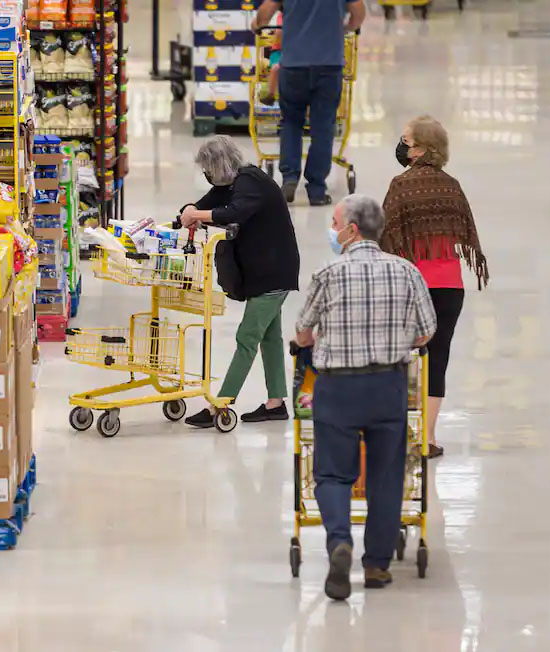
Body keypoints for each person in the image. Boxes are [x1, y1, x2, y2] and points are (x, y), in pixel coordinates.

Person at [295, 195, 436, 600]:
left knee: (333, 474)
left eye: (335, 221)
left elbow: (304, 332)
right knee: (386, 476)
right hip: (388, 386)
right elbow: (427, 331)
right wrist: (395, 339)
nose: (332, 228)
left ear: (351, 229)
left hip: (338, 388)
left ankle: (340, 540)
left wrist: (313, 339)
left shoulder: (329, 273)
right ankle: (376, 565)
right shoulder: (407, 272)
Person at [381, 116, 489, 459]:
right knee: (436, 358)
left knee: (401, 358)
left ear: (422, 149)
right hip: (449, 287)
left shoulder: (400, 185)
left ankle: (398, 433)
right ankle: (427, 438)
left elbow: (387, 236)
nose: (402, 145)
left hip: (411, 286)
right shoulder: (452, 186)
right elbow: (466, 233)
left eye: (406, 141)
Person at [178, 136, 300, 428]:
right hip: (265, 273)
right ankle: (276, 403)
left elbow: (233, 213)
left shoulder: (251, 183)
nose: (206, 175)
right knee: (270, 338)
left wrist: (198, 215)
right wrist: (189, 210)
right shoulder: (232, 183)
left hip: (273, 274)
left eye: (208, 169)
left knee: (247, 338)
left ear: (219, 166)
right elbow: (209, 203)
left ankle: (219, 404)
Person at [255, 0, 366, 206]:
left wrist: (257, 24)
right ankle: (316, 189)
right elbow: (358, 12)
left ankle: (289, 178)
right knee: (323, 127)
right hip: (329, 65)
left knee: (290, 122)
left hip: (293, 66)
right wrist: (347, 27)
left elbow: (265, 13)